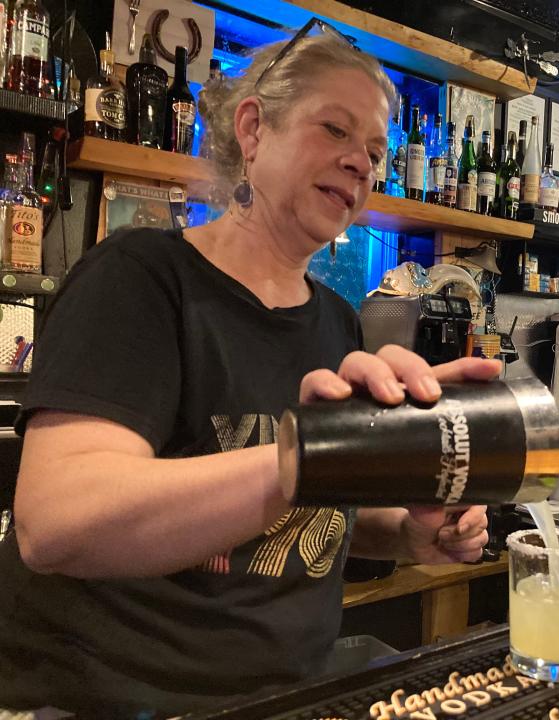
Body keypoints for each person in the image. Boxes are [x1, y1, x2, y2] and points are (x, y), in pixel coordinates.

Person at [0, 25, 499, 719]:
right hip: (112, 700)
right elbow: (58, 523)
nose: (361, 162)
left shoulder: (336, 321)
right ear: (254, 128)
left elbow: (317, 514)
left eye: (377, 151)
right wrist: (306, 456)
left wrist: (410, 531)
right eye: (336, 130)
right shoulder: (142, 279)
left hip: (291, 696)